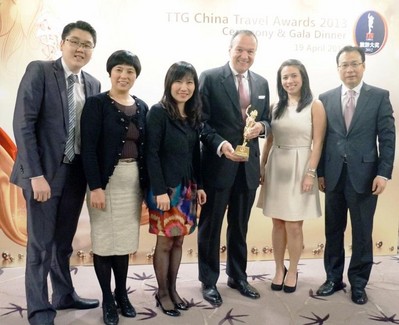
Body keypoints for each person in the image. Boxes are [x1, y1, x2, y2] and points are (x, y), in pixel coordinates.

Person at [10, 20, 101, 325]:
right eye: (75, 41)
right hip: (43, 175)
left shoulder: (93, 84)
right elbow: (23, 124)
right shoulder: (40, 71)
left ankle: (63, 294)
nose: (80, 48)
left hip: (75, 175)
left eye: (87, 44)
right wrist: (35, 175)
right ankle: (39, 310)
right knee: (40, 245)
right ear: (62, 43)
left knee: (63, 243)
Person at [315, 46, 395, 305]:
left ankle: (359, 283)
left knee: (362, 233)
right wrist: (319, 173)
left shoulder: (379, 97)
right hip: (333, 175)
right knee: (333, 230)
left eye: (354, 64)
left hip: (365, 176)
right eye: (344, 65)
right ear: (337, 68)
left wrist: (384, 174)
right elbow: (320, 139)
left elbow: (387, 138)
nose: (349, 69)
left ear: (363, 65)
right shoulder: (325, 98)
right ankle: (333, 278)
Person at [197, 30, 270, 306]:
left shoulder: (262, 83)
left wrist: (262, 127)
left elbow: (266, 121)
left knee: (240, 226)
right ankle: (208, 280)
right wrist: (221, 144)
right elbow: (201, 122)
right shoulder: (211, 78)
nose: (245, 55)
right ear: (230, 49)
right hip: (218, 164)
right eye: (240, 49)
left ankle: (238, 276)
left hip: (247, 168)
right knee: (211, 226)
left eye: (251, 51)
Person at [81, 50, 148, 325]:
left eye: (130, 71)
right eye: (119, 69)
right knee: (105, 242)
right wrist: (96, 186)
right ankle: (107, 299)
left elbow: (146, 151)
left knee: (123, 243)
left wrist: (146, 187)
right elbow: (88, 148)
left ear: (136, 75)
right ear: (110, 72)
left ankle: (122, 293)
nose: (124, 75)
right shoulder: (97, 104)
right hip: (105, 183)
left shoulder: (142, 106)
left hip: (132, 182)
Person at [257, 59, 326, 293]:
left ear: (303, 77)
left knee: (294, 225)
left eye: (293, 76)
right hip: (277, 164)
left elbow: (318, 143)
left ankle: (293, 269)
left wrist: (310, 173)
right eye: (285, 77)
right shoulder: (276, 105)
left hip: (301, 166)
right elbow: (270, 139)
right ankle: (279, 268)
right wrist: (262, 165)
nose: (289, 81)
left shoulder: (315, 105)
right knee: (277, 222)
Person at [146, 61, 207, 317]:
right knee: (164, 242)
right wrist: (159, 190)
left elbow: (195, 154)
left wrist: (200, 186)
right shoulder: (158, 112)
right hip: (166, 189)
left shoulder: (192, 115)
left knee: (179, 239)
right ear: (169, 83)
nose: (184, 87)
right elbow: (151, 153)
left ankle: (172, 288)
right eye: (179, 81)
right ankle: (161, 292)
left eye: (189, 82)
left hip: (188, 189)